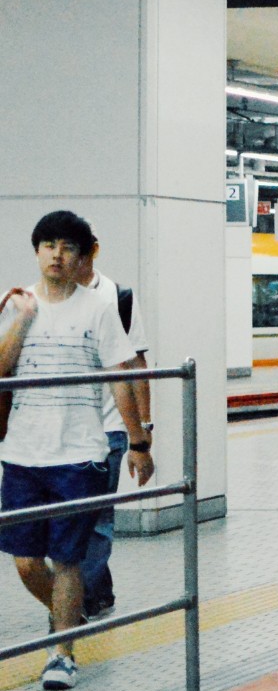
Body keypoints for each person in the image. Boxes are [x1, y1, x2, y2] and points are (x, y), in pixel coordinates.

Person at [0, 212, 153, 691]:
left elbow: (122, 377)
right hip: (23, 453)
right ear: (37, 251)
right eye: (48, 245)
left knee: (68, 560)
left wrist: (139, 442)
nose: (56, 254)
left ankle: (62, 653)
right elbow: (1, 369)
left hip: (80, 453)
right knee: (25, 561)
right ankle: (72, 617)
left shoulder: (99, 307)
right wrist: (22, 322)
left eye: (67, 247)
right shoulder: (16, 304)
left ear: (82, 255)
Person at [73, 240, 149, 621]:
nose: (67, 258)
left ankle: (80, 599)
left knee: (98, 518)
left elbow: (137, 366)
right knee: (71, 518)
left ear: (94, 252)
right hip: (64, 434)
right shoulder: (45, 302)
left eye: (76, 250)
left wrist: (143, 435)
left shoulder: (118, 297)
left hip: (110, 430)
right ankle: (98, 590)